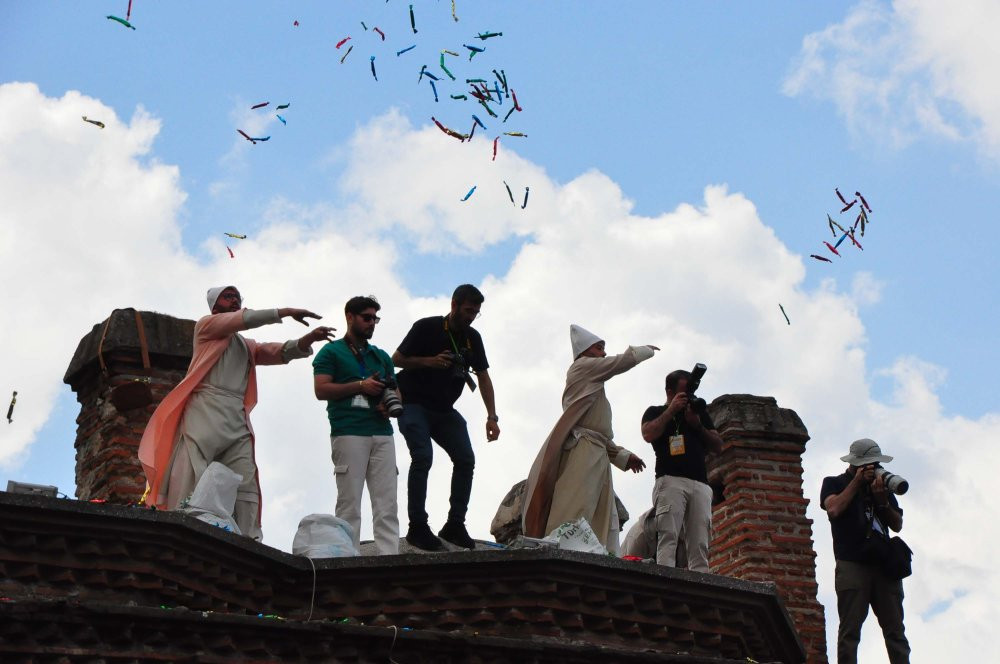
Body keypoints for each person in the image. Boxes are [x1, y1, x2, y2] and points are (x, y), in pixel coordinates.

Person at [138, 286, 334, 540]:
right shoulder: (207, 327)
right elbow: (245, 319)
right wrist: (284, 311)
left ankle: (249, 538)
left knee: (245, 478)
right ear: (214, 306)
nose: (234, 301)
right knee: (191, 471)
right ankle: (181, 526)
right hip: (205, 408)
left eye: (237, 297)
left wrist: (307, 340)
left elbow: (276, 351)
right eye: (227, 297)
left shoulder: (244, 345)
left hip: (235, 415)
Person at [522, 325, 656, 553]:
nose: (603, 353)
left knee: (601, 514)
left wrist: (622, 456)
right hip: (583, 451)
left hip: (596, 452)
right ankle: (562, 551)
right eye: (599, 348)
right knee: (577, 505)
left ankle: (590, 555)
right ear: (585, 350)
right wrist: (643, 351)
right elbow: (617, 364)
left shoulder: (593, 383)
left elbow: (598, 433)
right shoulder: (582, 367)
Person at [392, 284, 500, 551]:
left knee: (465, 459)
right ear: (454, 305)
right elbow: (396, 359)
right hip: (413, 403)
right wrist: (429, 361)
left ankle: (454, 524)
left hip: (443, 409)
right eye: (467, 310)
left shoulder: (472, 338)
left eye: (476, 312)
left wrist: (492, 416)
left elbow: (483, 376)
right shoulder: (427, 327)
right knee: (423, 456)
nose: (471, 316)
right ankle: (417, 526)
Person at [313, 296, 400, 555]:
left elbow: (396, 390)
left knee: (387, 502)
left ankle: (389, 557)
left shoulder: (380, 355)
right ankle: (347, 556)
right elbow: (321, 389)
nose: (372, 323)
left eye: (375, 318)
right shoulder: (331, 351)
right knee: (349, 501)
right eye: (367, 317)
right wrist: (361, 385)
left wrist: (389, 403)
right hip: (349, 431)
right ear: (349, 317)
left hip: (382, 431)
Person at [821, 439, 910, 664]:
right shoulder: (834, 482)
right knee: (850, 629)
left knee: (896, 631)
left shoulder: (881, 486)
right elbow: (833, 509)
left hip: (884, 564)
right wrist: (857, 483)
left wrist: (882, 501)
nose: (874, 467)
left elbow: (897, 524)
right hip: (852, 563)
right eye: (868, 464)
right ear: (856, 464)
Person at [640, 369, 723, 572]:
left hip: (700, 483)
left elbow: (718, 445)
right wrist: (671, 411)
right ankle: (665, 579)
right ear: (670, 391)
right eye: (684, 392)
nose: (689, 397)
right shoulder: (655, 411)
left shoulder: (697, 414)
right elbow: (648, 434)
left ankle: (701, 581)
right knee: (668, 534)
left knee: (700, 540)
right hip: (670, 480)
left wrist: (697, 425)